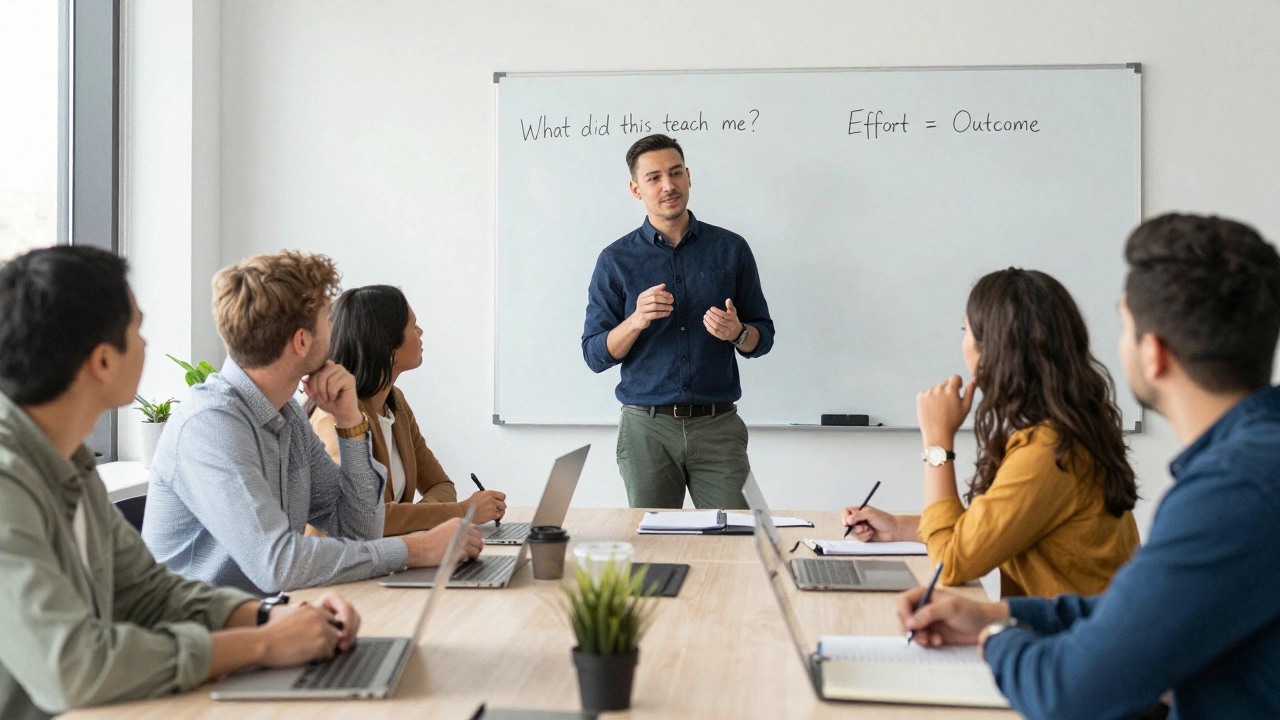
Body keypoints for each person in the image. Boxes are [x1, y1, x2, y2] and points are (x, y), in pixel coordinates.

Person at [896, 214, 1280, 720]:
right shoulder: (1251, 467)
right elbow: (1131, 609)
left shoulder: (1233, 491)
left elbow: (1067, 692)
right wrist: (997, 612)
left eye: (1124, 327)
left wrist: (994, 636)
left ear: (1153, 353)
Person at [0, 247, 361, 720]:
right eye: (137, 330)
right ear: (103, 362)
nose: (146, 343)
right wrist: (261, 644)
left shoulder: (70, 460)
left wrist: (269, 617)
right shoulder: (8, 481)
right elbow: (73, 667)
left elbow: (149, 593)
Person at [142, 251, 482, 595]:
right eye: (327, 319)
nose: (335, 329)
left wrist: (350, 422)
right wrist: (415, 550)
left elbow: (358, 529)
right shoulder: (211, 425)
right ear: (302, 341)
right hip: (199, 626)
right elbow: (279, 565)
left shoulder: (287, 417)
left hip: (266, 614)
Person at [843, 269, 1140, 597]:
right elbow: (984, 533)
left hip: (1068, 630)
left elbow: (950, 563)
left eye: (965, 331)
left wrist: (937, 443)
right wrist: (897, 527)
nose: (963, 345)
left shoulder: (1047, 452)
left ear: (994, 349)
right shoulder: (1065, 431)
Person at [581, 134, 776, 509]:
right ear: (636, 189)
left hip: (717, 426)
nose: (668, 185)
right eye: (654, 178)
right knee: (653, 540)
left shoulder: (731, 249)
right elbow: (594, 355)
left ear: (688, 176)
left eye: (675, 173)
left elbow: (762, 337)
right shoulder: (615, 260)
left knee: (734, 535)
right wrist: (635, 321)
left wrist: (738, 333)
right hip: (646, 430)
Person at [309, 285, 507, 535]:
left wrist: (412, 519)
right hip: (342, 558)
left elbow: (440, 485)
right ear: (387, 343)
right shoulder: (335, 418)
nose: (420, 331)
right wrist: (460, 512)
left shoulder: (396, 403)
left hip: (392, 553)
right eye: (413, 325)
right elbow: (366, 518)